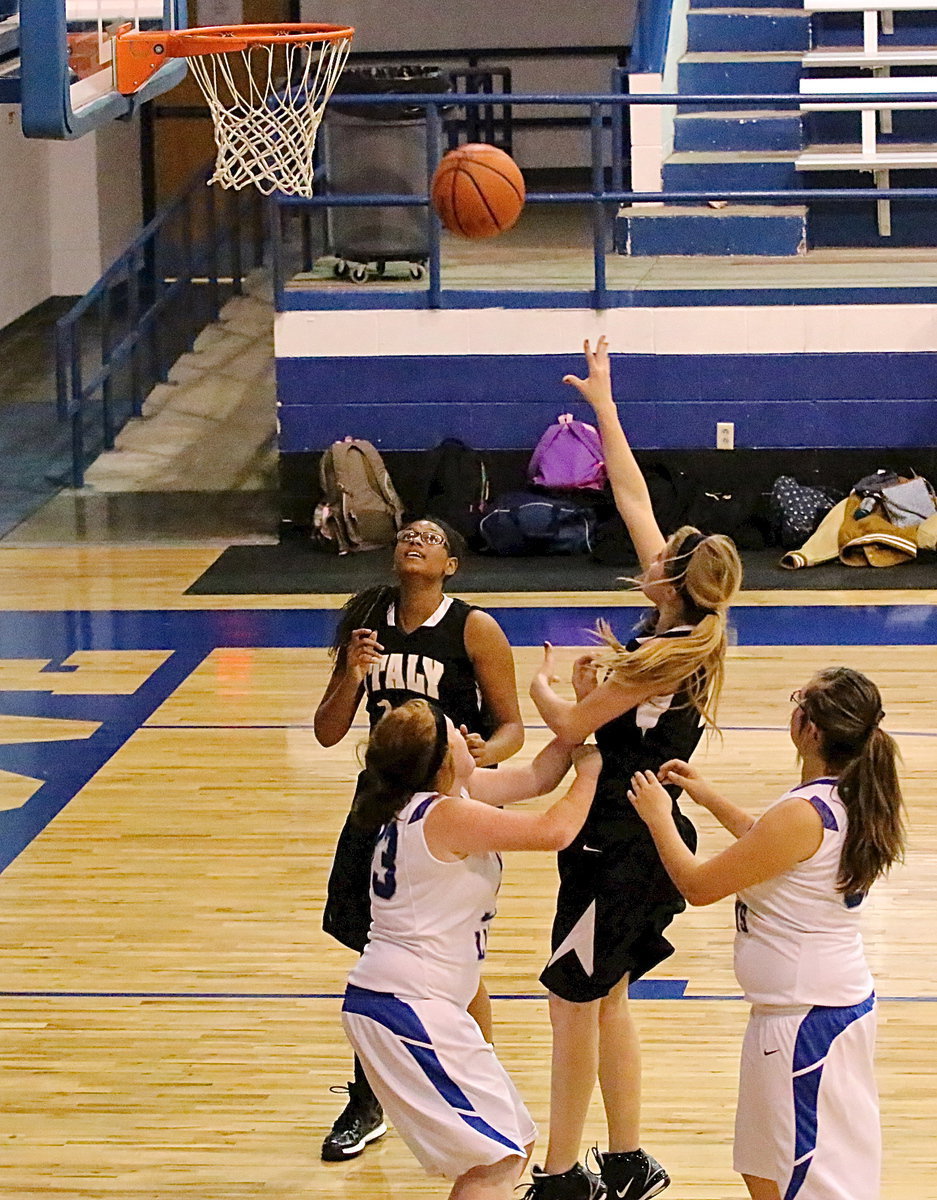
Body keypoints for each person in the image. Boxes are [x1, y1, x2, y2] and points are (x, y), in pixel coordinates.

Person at [524, 337, 743, 1200]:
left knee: (570, 1003)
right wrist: (606, 405)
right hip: (641, 835)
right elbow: (629, 491)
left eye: (663, 550)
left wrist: (543, 684)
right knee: (604, 998)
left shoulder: (657, 653)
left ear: (671, 579)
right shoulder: (681, 624)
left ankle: (558, 1177)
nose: (648, 545)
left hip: (620, 840)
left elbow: (575, 726)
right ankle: (624, 1161)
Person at [628, 666, 906, 1200]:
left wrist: (660, 818)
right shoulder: (836, 797)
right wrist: (708, 796)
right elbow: (771, 846)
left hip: (808, 1021)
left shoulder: (806, 812)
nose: (793, 707)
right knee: (764, 1171)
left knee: (813, 1184)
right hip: (797, 1012)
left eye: (801, 699)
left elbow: (700, 885)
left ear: (812, 731)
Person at [315, 517, 525, 1162]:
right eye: (408, 534)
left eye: (433, 538)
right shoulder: (366, 621)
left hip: (444, 808)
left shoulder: (475, 628)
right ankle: (369, 1095)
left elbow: (513, 727)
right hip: (378, 802)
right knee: (377, 950)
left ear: (452, 565)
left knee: (450, 956)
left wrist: (482, 754)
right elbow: (327, 732)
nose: (416, 541)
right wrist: (351, 673)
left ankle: (477, 1076)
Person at [342, 699, 601, 1200]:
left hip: (403, 1002)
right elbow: (555, 831)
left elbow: (536, 778)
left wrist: (580, 721)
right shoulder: (445, 815)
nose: (465, 731)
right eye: (453, 732)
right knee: (496, 1157)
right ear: (442, 759)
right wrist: (590, 772)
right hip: (407, 1005)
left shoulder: (427, 797)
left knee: (515, 1142)